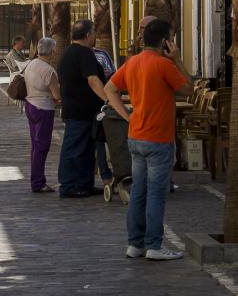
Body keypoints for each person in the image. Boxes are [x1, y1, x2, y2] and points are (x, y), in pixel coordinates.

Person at [105, 18, 192, 261]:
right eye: (172, 38)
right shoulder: (164, 65)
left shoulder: (132, 62)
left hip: (136, 135)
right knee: (156, 194)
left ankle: (135, 244)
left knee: (138, 192)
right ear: (166, 41)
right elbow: (189, 89)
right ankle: (154, 245)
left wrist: (126, 116)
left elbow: (109, 88)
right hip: (158, 139)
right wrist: (177, 59)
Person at [56, 18, 106, 197]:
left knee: (86, 149)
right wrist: (108, 99)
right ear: (87, 35)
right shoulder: (83, 53)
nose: (95, 36)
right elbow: (93, 80)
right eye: (93, 33)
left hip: (79, 109)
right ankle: (68, 185)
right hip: (80, 111)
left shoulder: (68, 52)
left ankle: (85, 184)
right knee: (74, 148)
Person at [23, 36, 61, 193]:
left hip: (30, 104)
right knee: (42, 146)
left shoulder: (31, 64)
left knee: (35, 145)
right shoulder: (48, 70)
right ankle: (38, 181)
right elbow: (57, 96)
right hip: (43, 108)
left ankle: (36, 178)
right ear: (52, 51)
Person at [92, 44, 115, 186]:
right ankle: (107, 176)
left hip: (89, 105)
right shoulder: (101, 55)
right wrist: (108, 99)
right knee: (100, 140)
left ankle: (105, 176)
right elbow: (112, 76)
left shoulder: (71, 53)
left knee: (98, 141)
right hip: (101, 104)